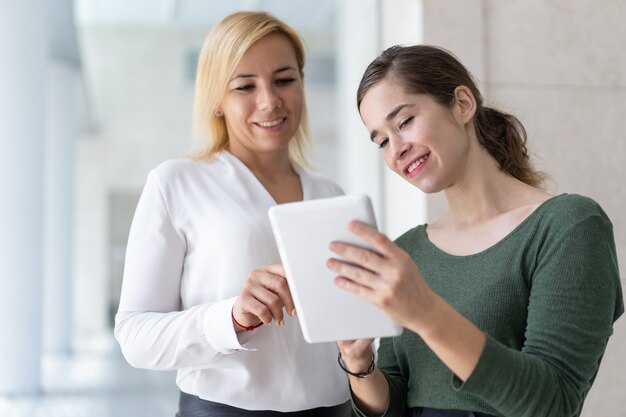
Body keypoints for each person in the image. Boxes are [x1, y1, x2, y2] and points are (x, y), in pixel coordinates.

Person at [327, 44, 624, 417]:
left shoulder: (568, 226)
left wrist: (425, 312)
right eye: (383, 141)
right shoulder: (406, 252)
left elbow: (554, 403)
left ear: (463, 104)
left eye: (404, 122)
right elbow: (394, 406)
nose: (396, 150)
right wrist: (358, 364)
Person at [114, 11, 353, 417]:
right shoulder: (177, 183)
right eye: (245, 86)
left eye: (284, 79)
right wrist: (231, 318)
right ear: (217, 100)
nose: (270, 101)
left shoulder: (331, 196)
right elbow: (134, 334)